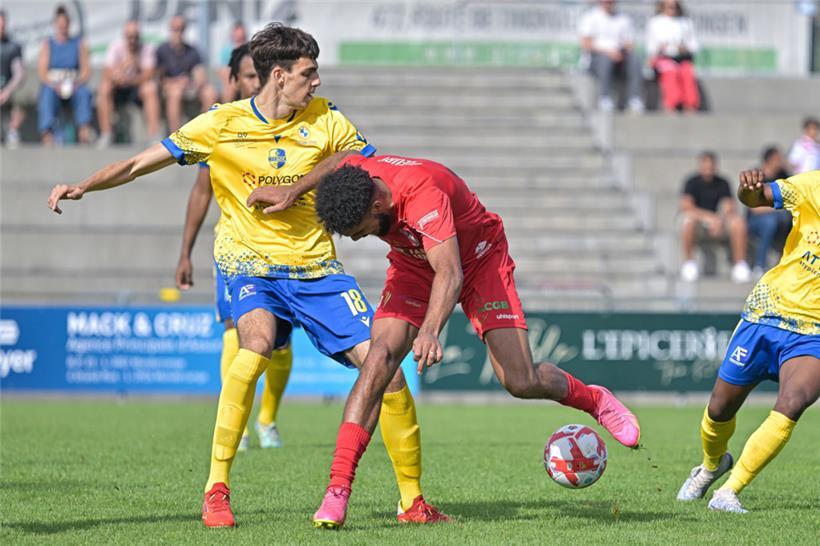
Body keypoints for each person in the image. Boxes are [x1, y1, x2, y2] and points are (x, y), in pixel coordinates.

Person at [47, 23, 446, 529]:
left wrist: (300, 190)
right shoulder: (221, 124)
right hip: (248, 262)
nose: (317, 82)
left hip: (315, 267)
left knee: (383, 365)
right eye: (308, 73)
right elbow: (137, 163)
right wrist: (83, 186)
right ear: (278, 76)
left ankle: (412, 501)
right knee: (253, 343)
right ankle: (216, 489)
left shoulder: (328, 121)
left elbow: (373, 169)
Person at [308, 153, 641, 529]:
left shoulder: (423, 196)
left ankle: (593, 399)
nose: (357, 236)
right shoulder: (358, 174)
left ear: (378, 203)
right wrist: (293, 190)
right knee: (377, 360)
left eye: (361, 228)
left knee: (520, 380)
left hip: (480, 260)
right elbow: (336, 159)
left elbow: (450, 273)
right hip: (413, 265)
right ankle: (338, 489)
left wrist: (431, 329)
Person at [676, 168, 820, 513]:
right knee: (719, 408)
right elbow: (757, 199)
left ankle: (728, 491)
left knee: (794, 401)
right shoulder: (814, 185)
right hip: (767, 315)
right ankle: (711, 465)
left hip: (814, 332)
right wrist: (748, 190)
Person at [175, 43, 291, 452]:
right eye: (247, 75)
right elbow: (201, 191)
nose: (254, 82)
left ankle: (268, 420)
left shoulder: (290, 122)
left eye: (259, 75)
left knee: (280, 344)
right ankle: (237, 425)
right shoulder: (222, 126)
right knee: (235, 331)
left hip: (285, 249)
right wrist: (186, 252)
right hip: (235, 251)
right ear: (234, 79)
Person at [680, 151, 751, 283]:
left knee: (738, 222)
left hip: (720, 222)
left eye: (710, 166)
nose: (708, 170)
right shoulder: (691, 182)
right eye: (705, 166)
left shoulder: (722, 183)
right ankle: (689, 263)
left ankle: (740, 264)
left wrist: (719, 220)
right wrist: (709, 218)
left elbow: (729, 206)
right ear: (700, 166)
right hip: (700, 223)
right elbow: (687, 207)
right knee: (687, 220)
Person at [96, 20, 161, 147]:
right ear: (124, 36)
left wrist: (134, 69)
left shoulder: (146, 49)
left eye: (135, 37)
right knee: (104, 88)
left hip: (137, 88)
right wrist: (123, 67)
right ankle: (106, 133)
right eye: (129, 37)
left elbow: (149, 74)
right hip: (118, 88)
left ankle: (154, 134)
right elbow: (107, 73)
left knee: (150, 89)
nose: (132, 40)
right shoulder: (115, 47)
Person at [37, 4, 93, 144]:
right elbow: (43, 72)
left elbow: (86, 70)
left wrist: (76, 83)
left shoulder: (78, 43)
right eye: (60, 24)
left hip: (73, 83)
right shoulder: (48, 44)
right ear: (55, 25)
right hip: (54, 84)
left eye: (65, 24)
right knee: (46, 94)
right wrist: (54, 84)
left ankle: (84, 130)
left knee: (84, 93)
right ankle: (47, 132)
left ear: (69, 24)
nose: (62, 28)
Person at [578, 0, 644, 113]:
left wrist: (621, 52)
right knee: (605, 59)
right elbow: (586, 43)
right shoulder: (590, 17)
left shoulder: (623, 19)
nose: (608, 2)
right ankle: (605, 98)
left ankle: (634, 99)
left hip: (619, 56)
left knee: (635, 59)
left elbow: (630, 43)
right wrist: (609, 51)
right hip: (596, 58)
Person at [155, 15, 217, 132]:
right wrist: (175, 82)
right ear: (170, 29)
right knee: (175, 92)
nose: (178, 32)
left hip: (190, 86)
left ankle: (207, 132)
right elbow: (158, 77)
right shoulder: (162, 50)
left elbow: (200, 73)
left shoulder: (192, 51)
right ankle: (176, 137)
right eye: (175, 29)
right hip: (170, 86)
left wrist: (193, 83)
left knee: (210, 91)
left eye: (181, 29)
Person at [646, 0, 700, 112]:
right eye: (668, 6)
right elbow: (650, 48)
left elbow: (694, 45)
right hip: (663, 58)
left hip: (681, 58)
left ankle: (690, 105)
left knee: (687, 71)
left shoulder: (685, 22)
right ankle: (672, 104)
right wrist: (660, 47)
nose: (671, 8)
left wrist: (685, 48)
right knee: (670, 72)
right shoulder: (655, 22)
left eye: (674, 6)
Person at [745, 146, 791, 277]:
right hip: (756, 221)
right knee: (769, 222)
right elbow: (754, 208)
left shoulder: (783, 176)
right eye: (778, 159)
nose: (781, 162)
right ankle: (760, 264)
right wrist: (777, 207)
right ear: (769, 161)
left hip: (779, 218)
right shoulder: (756, 176)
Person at [0, 9, 26, 147]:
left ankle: (12, 130)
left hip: (6, 90)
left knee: (22, 94)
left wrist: (7, 90)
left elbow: (19, 73)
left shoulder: (13, 47)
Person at [217, 22, 247, 103]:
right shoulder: (227, 50)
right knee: (230, 83)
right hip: (230, 79)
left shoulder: (249, 49)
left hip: (243, 77)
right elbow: (222, 69)